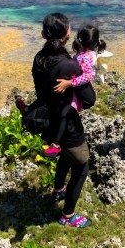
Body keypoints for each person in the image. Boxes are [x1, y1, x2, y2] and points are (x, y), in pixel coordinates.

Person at [32, 12, 96, 227]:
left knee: (64, 156)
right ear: (68, 34)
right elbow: (89, 100)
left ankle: (58, 190)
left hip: (47, 121)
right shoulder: (68, 65)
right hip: (67, 124)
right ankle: (68, 216)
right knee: (81, 166)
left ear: (43, 34)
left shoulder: (39, 58)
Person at [45, 24, 106, 157]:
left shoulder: (88, 56)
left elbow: (88, 75)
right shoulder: (84, 53)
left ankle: (56, 144)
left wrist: (69, 83)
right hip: (75, 89)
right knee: (64, 113)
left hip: (77, 90)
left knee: (65, 113)